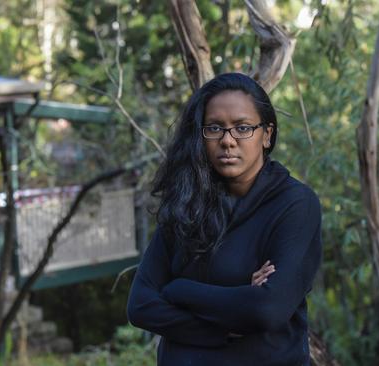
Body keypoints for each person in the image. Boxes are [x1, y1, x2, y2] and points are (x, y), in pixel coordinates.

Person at [126, 72, 322, 365]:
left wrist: (178, 289)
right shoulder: (186, 201)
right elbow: (141, 305)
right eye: (215, 128)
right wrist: (226, 318)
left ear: (267, 134)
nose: (228, 140)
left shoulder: (294, 205)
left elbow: (266, 309)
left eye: (243, 128)